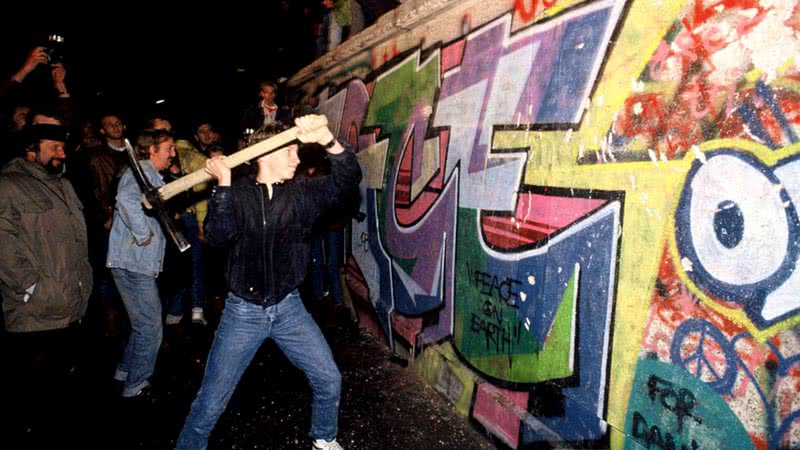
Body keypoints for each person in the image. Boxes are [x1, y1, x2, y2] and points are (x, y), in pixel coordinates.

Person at [175, 115, 361, 450]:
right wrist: (224, 186)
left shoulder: (303, 195)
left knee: (328, 378)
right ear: (263, 154)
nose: (297, 158)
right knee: (211, 401)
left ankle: (324, 437)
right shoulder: (239, 193)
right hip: (243, 314)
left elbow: (347, 179)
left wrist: (328, 140)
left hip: (288, 308)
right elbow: (218, 236)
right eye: (289, 151)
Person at [0, 115, 93, 442]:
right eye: (54, 147)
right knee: (30, 394)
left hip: (69, 306)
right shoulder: (8, 185)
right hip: (34, 311)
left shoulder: (63, 184)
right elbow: (2, 242)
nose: (62, 154)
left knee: (60, 392)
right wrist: (30, 286)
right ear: (30, 150)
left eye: (64, 147)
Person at [106, 129, 176, 398]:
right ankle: (135, 386)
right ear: (151, 150)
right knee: (151, 329)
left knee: (141, 324)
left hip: (131, 262)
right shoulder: (141, 171)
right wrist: (143, 234)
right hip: (134, 263)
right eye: (168, 148)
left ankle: (124, 371)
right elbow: (126, 200)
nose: (173, 154)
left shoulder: (149, 174)